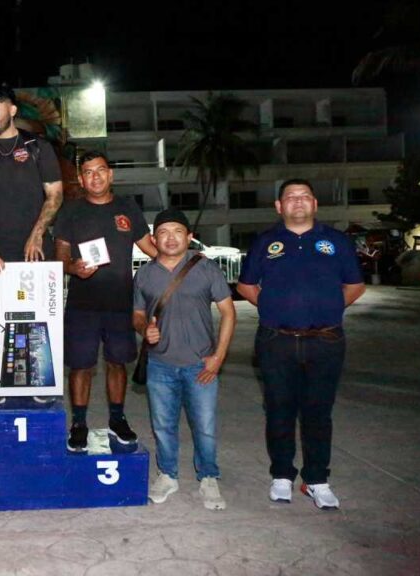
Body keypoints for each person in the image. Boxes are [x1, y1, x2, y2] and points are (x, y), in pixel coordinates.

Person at [236, 179, 365, 510]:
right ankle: (282, 474)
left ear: (315, 204)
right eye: (290, 197)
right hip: (276, 341)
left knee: (318, 412)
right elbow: (246, 285)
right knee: (279, 409)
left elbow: (355, 285)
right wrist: (274, 306)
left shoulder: (336, 241)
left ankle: (316, 479)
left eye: (304, 196)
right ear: (279, 207)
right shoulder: (265, 242)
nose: (298, 201)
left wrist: (328, 308)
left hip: (326, 340)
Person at [0, 84, 64, 404]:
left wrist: (36, 234)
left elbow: (55, 195)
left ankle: (39, 383)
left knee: (35, 318)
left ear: (12, 110)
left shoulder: (38, 147)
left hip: (34, 250)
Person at [53, 151, 156, 452]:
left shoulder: (128, 208)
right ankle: (79, 423)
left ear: (110, 175)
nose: (95, 176)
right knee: (80, 366)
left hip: (120, 303)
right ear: (81, 179)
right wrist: (73, 267)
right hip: (82, 305)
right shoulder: (70, 211)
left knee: (117, 363)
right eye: (88, 172)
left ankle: (117, 419)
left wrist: (181, 261)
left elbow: (149, 247)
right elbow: (60, 256)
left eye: (100, 170)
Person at [133, 208, 236, 510]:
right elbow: (137, 313)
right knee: (163, 426)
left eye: (178, 231)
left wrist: (218, 357)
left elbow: (228, 313)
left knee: (204, 426)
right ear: (154, 239)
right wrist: (144, 328)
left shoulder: (206, 268)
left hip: (200, 364)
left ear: (189, 237)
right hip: (159, 365)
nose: (170, 238)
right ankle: (168, 475)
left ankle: (208, 477)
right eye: (163, 232)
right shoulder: (145, 274)